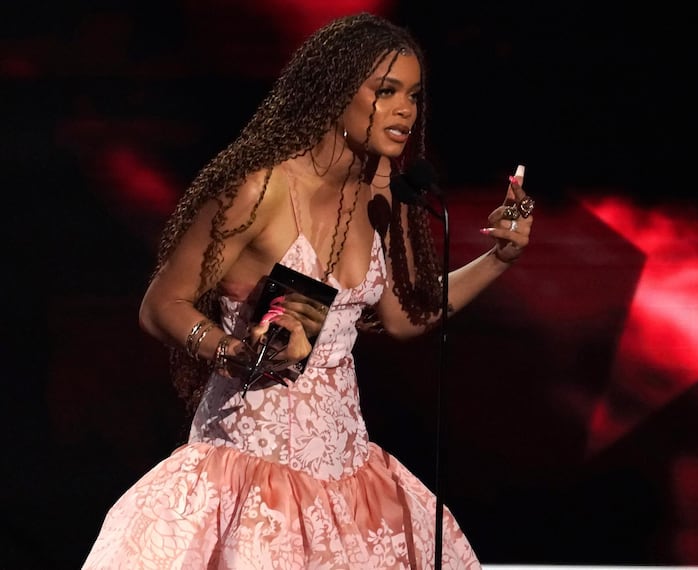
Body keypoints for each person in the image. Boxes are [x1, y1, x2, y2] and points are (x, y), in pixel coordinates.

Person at [82, 11, 534, 569]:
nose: (405, 112)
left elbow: (402, 316)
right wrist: (229, 350)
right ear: (337, 92)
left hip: (348, 477)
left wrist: (499, 258)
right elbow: (162, 304)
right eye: (386, 91)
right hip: (248, 469)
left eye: (413, 96)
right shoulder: (259, 188)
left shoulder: (382, 191)